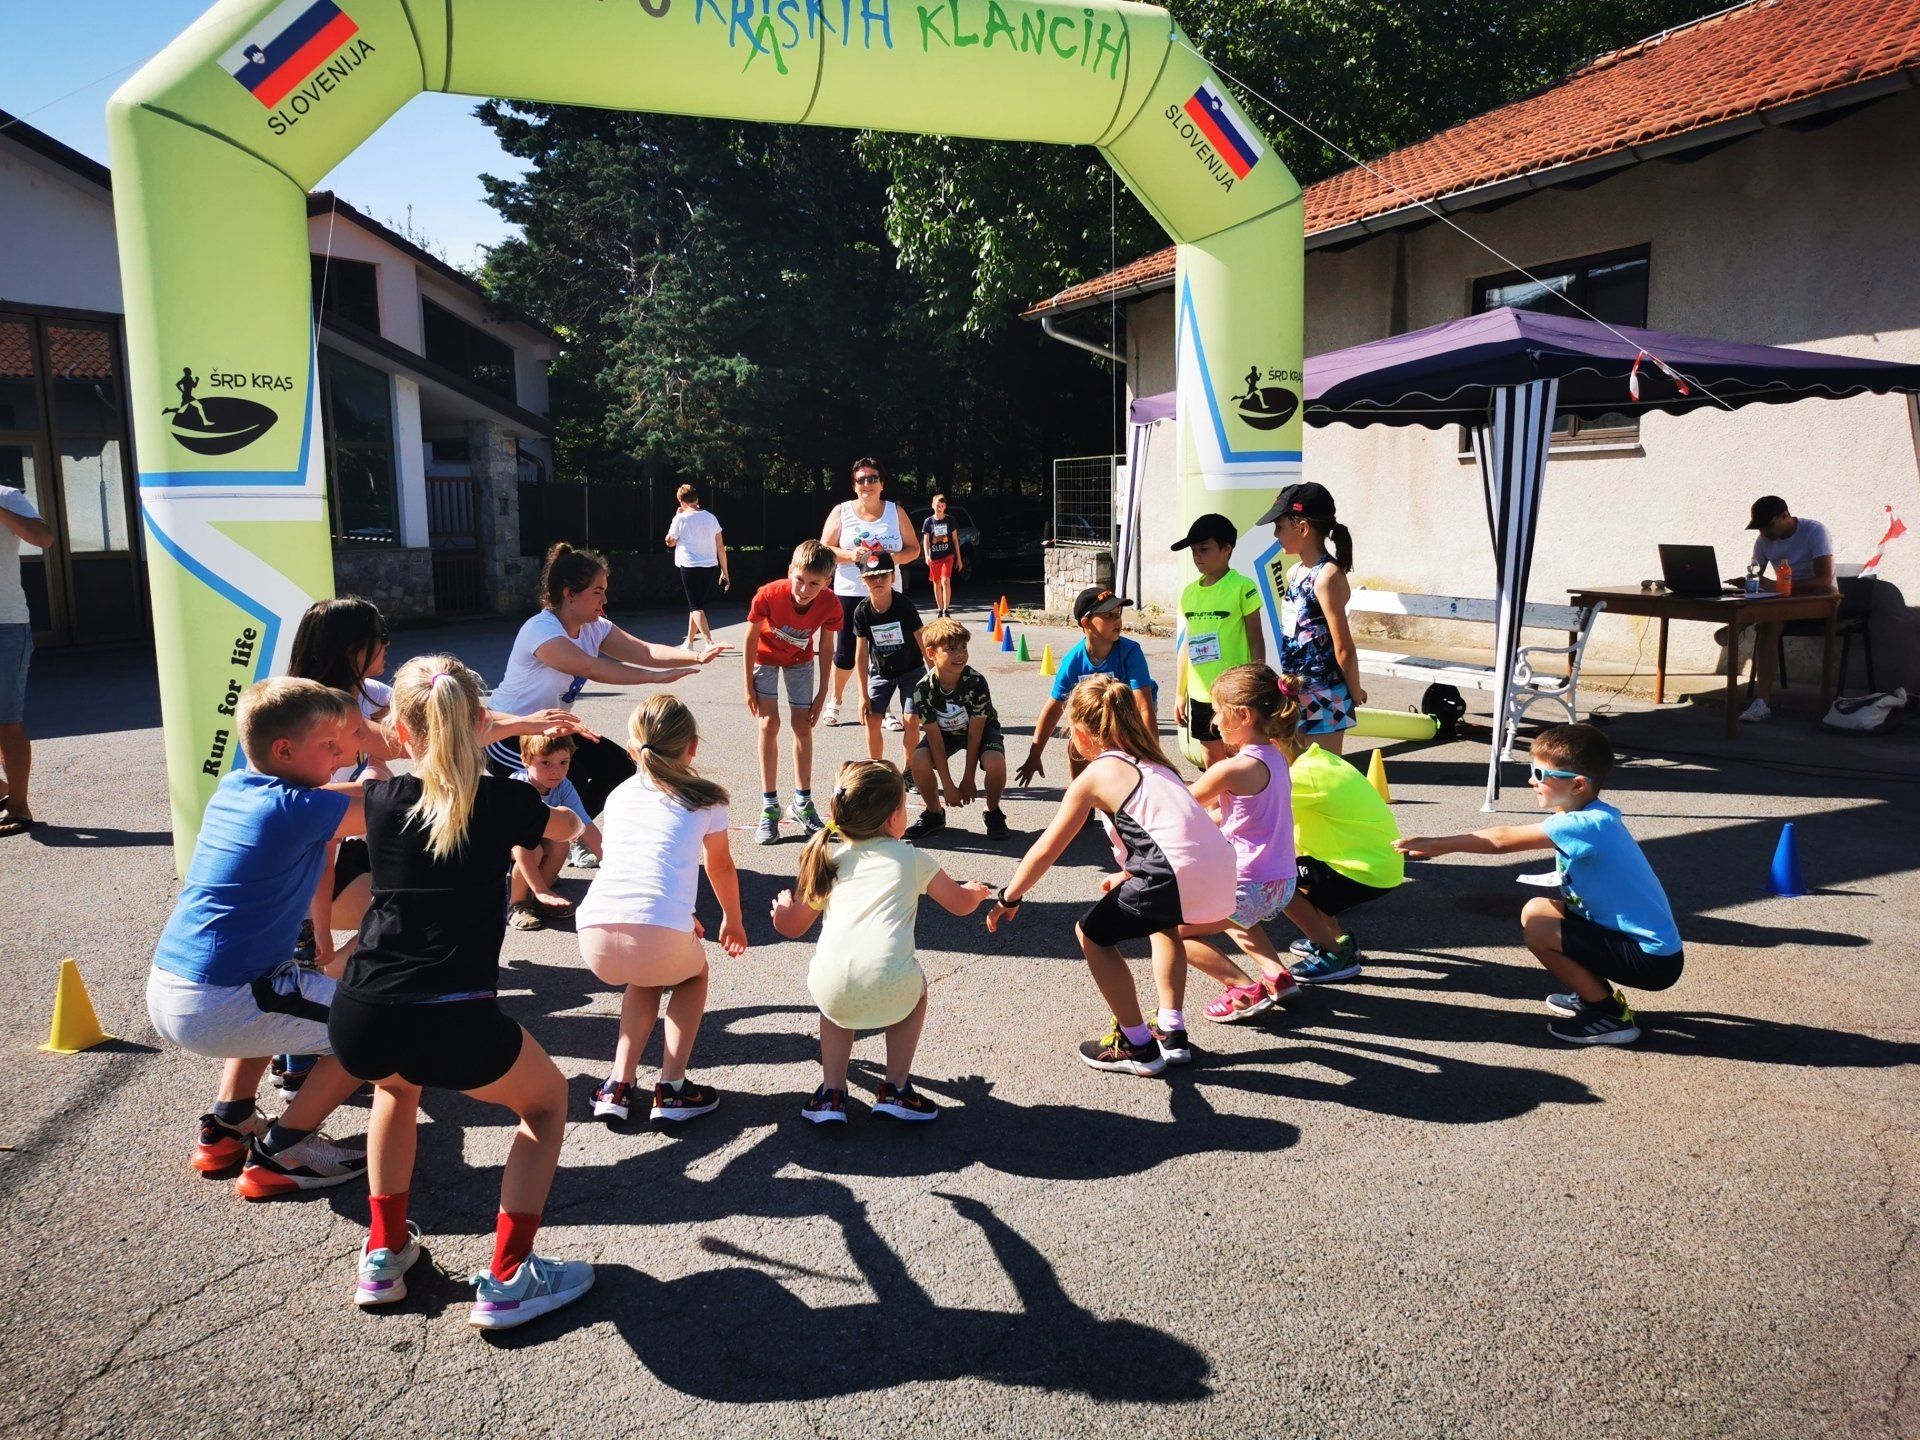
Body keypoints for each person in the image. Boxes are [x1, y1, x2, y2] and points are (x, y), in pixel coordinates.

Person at [328, 656, 594, 1328]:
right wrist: (564, 821)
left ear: (399, 729)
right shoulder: (507, 801)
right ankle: (508, 1277)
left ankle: (384, 1254)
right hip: (452, 1016)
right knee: (545, 1103)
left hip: (362, 1012)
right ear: (480, 723)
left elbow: (318, 806)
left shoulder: (379, 800)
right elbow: (563, 828)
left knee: (395, 1089)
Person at [145, 678, 372, 1196]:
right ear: (284, 750)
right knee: (377, 1030)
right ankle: (284, 1151)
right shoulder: (297, 809)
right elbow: (395, 805)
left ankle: (229, 1124)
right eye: (329, 745)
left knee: (278, 1000)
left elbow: (348, 795)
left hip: (175, 987)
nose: (341, 757)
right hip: (222, 999)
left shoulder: (238, 787)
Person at [988, 676, 1236, 1075]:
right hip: (1221, 870)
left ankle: (1138, 1045)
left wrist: (1009, 896)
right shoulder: (1157, 763)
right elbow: (1168, 833)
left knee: (1091, 934)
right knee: (1163, 926)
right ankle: (1172, 1031)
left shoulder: (1096, 775)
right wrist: (1129, 874)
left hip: (1172, 877)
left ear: (1082, 734)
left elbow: (1047, 848)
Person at [1395, 723, 1682, 1046]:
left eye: (1540, 774)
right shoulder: (1586, 813)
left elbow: (1502, 840)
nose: (1531, 780)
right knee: (1537, 909)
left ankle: (1610, 1017)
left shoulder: (1588, 824)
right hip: (1630, 942)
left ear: (1577, 785)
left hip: (1651, 960)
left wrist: (1437, 844)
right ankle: (1592, 993)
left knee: (1540, 931)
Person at [770, 760, 993, 1124]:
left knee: (837, 1005)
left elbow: (792, 927)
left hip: (832, 988)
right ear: (893, 819)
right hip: (893, 986)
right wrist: (975, 892)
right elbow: (959, 904)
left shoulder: (829, 860)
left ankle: (831, 1094)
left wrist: (781, 908)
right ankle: (896, 1089)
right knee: (917, 991)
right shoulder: (912, 858)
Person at [575, 694, 746, 1122]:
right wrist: (732, 919)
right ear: (693, 746)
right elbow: (720, 866)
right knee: (692, 976)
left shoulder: (618, 795)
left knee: (644, 979)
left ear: (632, 749)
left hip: (595, 928)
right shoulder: (706, 798)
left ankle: (617, 1084)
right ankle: (672, 1088)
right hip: (655, 929)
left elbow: (636, 861)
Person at [485, 543, 718, 831]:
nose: (605, 599)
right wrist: (653, 677)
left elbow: (645, 651)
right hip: (508, 734)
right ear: (569, 594)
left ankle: (572, 833)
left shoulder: (595, 627)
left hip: (553, 728)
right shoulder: (541, 629)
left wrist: (696, 656)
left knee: (620, 767)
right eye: (598, 591)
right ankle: (542, 841)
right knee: (568, 777)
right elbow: (589, 667)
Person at [1177, 665, 1303, 1023]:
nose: (1215, 721)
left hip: (1248, 881)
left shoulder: (1230, 768)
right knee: (1235, 916)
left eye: (1219, 711)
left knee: (1172, 931)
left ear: (1244, 715)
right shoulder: (1276, 755)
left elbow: (1180, 806)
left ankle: (1243, 989)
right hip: (1281, 881)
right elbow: (1246, 814)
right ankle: (1277, 975)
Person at [744, 539, 843, 845]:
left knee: (803, 726)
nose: (804, 589)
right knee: (769, 724)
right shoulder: (769, 594)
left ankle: (802, 802)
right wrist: (747, 684)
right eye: (799, 579)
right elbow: (750, 638)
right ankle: (770, 806)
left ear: (827, 582)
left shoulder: (830, 604)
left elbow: (827, 645)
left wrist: (823, 692)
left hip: (801, 661)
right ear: (790, 571)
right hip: (764, 657)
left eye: (814, 584)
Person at [1284, 738, 1404, 983]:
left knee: (1274, 882)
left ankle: (1335, 955)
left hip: (1364, 871)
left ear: (1272, 744)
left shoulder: (1300, 776)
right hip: (1377, 863)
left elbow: (1248, 814)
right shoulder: (1318, 759)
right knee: (1300, 870)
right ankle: (1337, 940)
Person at [1014, 588, 1158, 789]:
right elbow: (1053, 708)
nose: (1117, 620)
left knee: (1126, 752)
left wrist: (1153, 758)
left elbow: (1144, 707)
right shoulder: (1073, 661)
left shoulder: (1130, 652)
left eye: (1117, 614)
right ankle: (1083, 796)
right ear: (1086, 623)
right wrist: (1034, 754)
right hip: (1098, 715)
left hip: (1130, 714)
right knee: (1075, 746)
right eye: (1108, 615)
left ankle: (1134, 790)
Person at [1261, 482, 1364, 753]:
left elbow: (1343, 647)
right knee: (1294, 773)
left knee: (1323, 773)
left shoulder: (1327, 576)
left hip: (1326, 695)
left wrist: (1354, 690)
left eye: (1280, 527)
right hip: (1293, 692)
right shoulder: (1295, 572)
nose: (1275, 534)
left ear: (1303, 527)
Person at [820, 457, 919, 725]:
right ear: (854, 485)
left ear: (882, 483)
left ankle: (883, 708)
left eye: (873, 478)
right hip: (851, 590)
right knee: (846, 651)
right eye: (861, 480)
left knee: (887, 649)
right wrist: (851, 554)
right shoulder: (842, 511)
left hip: (888, 593)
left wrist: (891, 559)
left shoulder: (895, 512)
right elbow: (824, 548)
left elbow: (914, 549)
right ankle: (835, 700)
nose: (867, 484)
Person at [1172, 514, 1266, 769]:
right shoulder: (1189, 593)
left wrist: (1256, 686)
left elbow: (1256, 639)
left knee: (1238, 753)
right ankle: (1217, 795)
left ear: (1227, 549)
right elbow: (1187, 646)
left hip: (1235, 693)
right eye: (1193, 551)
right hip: (1201, 693)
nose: (1197, 556)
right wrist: (1180, 694)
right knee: (1211, 756)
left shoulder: (1242, 586)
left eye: (1204, 549)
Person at [906, 617, 1009, 842]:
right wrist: (948, 785)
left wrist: (968, 778)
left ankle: (993, 811)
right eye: (951, 649)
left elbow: (975, 734)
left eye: (963, 647)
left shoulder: (976, 682)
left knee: (995, 762)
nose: (960, 654)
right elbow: (935, 739)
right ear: (931, 653)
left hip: (980, 731)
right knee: (918, 760)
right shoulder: (923, 689)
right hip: (945, 734)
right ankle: (934, 813)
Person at [1737, 495, 1836, 724]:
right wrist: (1748, 582)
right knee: (1769, 622)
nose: (1763, 532)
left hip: (1819, 597)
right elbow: (1757, 573)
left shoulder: (1814, 531)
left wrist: (1779, 587)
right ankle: (1762, 703)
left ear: (1784, 516)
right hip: (1785, 598)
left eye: (1767, 526)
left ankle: (1742, 624)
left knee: (1772, 615)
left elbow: (1823, 578)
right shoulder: (1763, 540)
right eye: (1759, 527)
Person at [0, 478, 54, 839]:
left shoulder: (6, 496)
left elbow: (43, 538)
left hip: (5, 624)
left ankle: (18, 805)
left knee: (6, 720)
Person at [506, 733, 602, 931]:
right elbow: (520, 847)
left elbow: (586, 825)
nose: (555, 771)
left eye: (563, 762)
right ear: (525, 760)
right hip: (506, 846)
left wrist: (611, 864)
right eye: (545, 763)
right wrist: (539, 888)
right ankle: (517, 904)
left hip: (535, 840)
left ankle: (541, 900)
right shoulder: (518, 788)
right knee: (534, 850)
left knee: (561, 844)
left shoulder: (564, 786)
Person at [852, 552, 926, 765]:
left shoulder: (904, 605)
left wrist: (934, 676)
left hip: (911, 670)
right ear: (863, 581)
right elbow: (861, 653)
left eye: (883, 575)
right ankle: (877, 769)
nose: (877, 581)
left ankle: (909, 772)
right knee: (872, 719)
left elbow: (922, 640)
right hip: (881, 672)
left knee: (911, 719)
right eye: (871, 577)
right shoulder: (862, 612)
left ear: (893, 577)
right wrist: (862, 694)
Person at [665, 484, 729, 653]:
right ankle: (689, 642)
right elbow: (721, 548)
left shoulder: (681, 518)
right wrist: (725, 572)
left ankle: (709, 642)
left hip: (690, 566)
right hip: (709, 566)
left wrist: (675, 517)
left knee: (696, 606)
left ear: (680, 501)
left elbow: (670, 542)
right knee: (696, 605)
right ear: (697, 499)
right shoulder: (711, 518)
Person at [920, 493, 964, 618]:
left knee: (946, 580)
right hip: (934, 557)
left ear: (945, 507)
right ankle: (939, 609)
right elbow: (926, 540)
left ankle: (946, 609)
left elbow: (955, 539)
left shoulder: (950, 520)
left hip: (947, 556)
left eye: (942, 506)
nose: (940, 508)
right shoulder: (928, 522)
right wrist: (927, 555)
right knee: (937, 582)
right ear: (933, 505)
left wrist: (959, 559)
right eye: (938, 506)